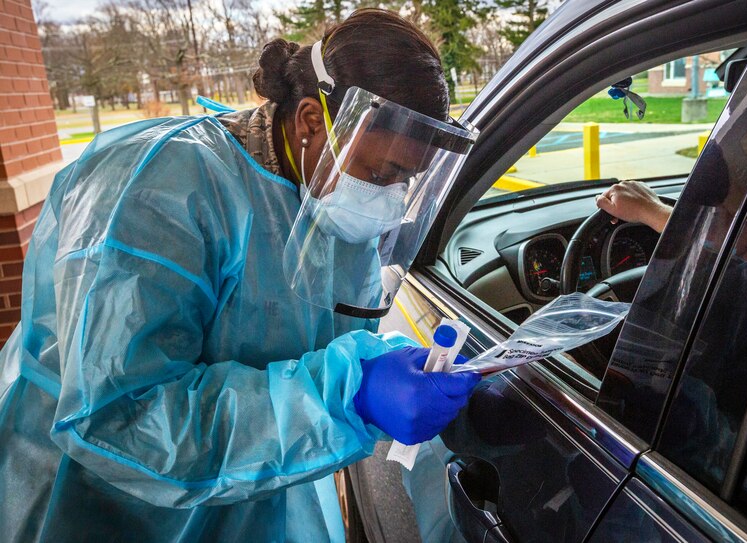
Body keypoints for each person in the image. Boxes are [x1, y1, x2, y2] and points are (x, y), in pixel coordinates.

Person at [0, 9, 480, 542]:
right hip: (109, 507)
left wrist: (380, 364)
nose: (391, 198)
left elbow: (325, 338)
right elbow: (121, 418)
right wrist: (347, 393)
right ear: (311, 121)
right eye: (382, 173)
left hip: (256, 493)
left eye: (407, 179)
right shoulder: (157, 190)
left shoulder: (325, 195)